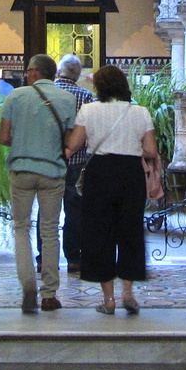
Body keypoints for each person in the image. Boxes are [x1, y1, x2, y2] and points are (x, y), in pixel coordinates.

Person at [66, 64, 158, 315]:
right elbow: (150, 150)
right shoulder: (140, 112)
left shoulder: (88, 110)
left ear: (99, 87)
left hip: (100, 173)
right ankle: (128, 293)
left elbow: (74, 144)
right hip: (130, 174)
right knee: (130, 232)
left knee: (100, 234)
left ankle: (108, 300)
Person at [0, 54, 78, 313]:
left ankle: (28, 287)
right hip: (52, 172)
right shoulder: (68, 99)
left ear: (33, 72)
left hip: (21, 170)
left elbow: (3, 137)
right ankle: (49, 295)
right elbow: (68, 139)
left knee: (21, 228)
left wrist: (23, 142)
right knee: (50, 230)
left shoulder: (16, 96)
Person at [51, 55, 95, 276]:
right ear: (78, 75)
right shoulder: (86, 96)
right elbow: (89, 132)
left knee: (47, 212)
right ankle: (74, 258)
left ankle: (44, 259)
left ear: (59, 72)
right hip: (77, 163)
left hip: (49, 161)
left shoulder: (47, 93)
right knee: (74, 212)